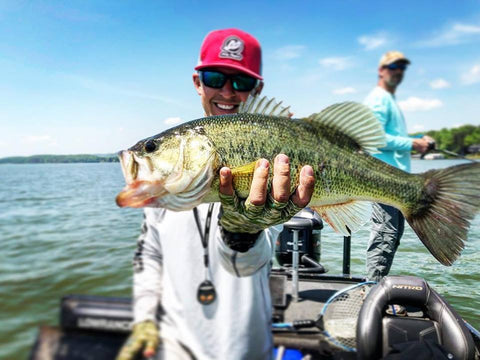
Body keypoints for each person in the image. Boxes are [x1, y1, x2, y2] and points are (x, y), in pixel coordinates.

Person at [116, 28, 315, 360]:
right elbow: (150, 254)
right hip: (175, 346)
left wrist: (242, 232)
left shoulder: (274, 159)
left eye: (241, 82)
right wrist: (144, 319)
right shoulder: (166, 186)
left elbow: (251, 263)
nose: (227, 91)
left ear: (257, 90)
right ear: (198, 82)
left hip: (245, 345)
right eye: (214, 77)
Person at [364, 51, 434, 282]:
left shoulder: (389, 99)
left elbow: (391, 137)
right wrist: (413, 143)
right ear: (381, 70)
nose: (398, 71)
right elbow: (375, 138)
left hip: (395, 180)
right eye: (394, 66)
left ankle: (376, 287)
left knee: (392, 235)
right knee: (385, 234)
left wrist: (417, 140)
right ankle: (372, 290)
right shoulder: (378, 99)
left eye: (402, 67)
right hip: (383, 179)